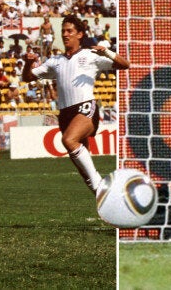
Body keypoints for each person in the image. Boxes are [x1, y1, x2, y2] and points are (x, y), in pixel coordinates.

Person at [23, 15, 129, 194]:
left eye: (69, 31)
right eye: (63, 31)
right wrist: (27, 63)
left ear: (80, 34)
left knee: (69, 140)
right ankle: (106, 204)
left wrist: (107, 52)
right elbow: (27, 77)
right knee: (83, 172)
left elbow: (125, 64)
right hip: (65, 114)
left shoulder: (90, 55)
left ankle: (101, 186)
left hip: (85, 107)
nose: (65, 34)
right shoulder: (55, 61)